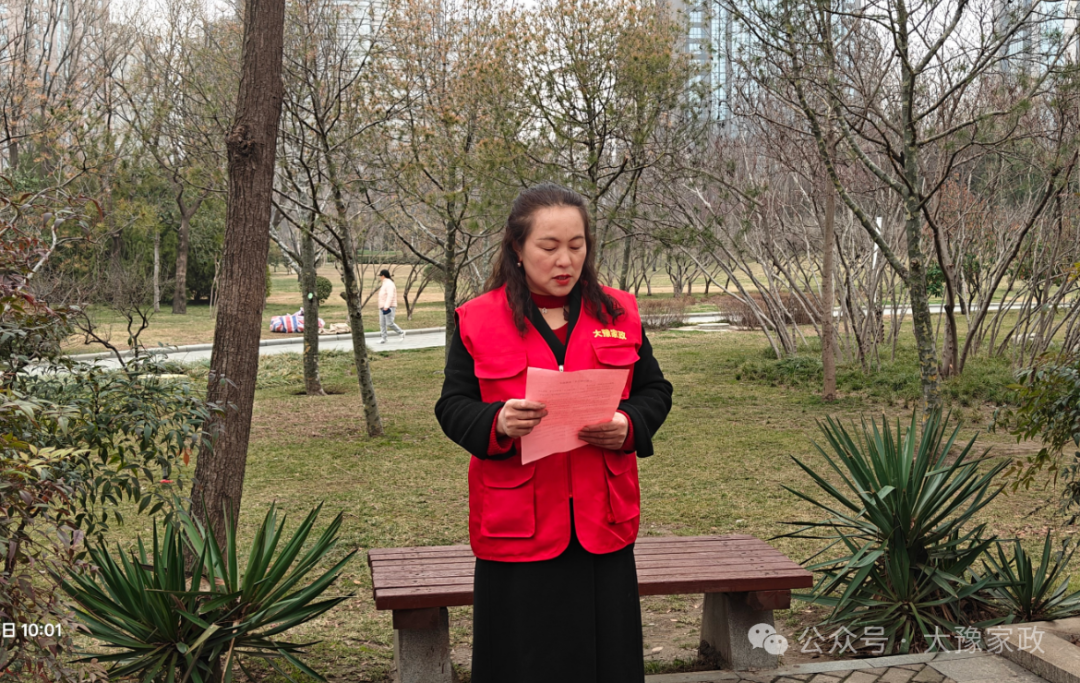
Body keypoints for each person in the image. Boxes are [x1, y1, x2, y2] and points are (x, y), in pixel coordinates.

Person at [434, 183, 673, 683]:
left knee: (606, 661)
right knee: (524, 661)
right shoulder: (478, 319)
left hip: (600, 523)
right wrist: (497, 422)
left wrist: (628, 424)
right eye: (549, 247)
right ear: (517, 249)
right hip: (518, 527)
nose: (565, 261)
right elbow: (453, 406)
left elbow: (654, 390)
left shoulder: (618, 313)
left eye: (576, 245)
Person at [377, 269, 406, 343]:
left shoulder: (389, 284)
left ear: (383, 276)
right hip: (382, 306)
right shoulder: (384, 284)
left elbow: (390, 296)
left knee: (389, 323)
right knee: (382, 323)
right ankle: (384, 338)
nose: (380, 277)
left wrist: (386, 306)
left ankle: (401, 332)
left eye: (380, 276)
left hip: (389, 306)